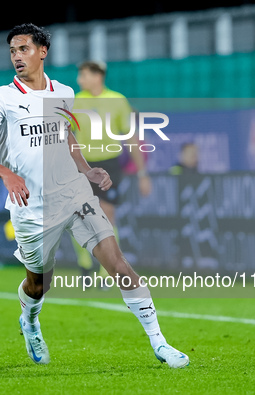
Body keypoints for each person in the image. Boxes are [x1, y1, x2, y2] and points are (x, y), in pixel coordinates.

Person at [0, 23, 189, 368]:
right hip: (32, 208)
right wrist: (6, 174)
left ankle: (160, 342)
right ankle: (31, 321)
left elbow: (65, 136)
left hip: (74, 194)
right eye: (12, 51)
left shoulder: (64, 93)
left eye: (23, 49)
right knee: (39, 284)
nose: (17, 56)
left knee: (119, 264)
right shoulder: (0, 99)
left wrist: (85, 169)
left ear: (42, 51)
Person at [72, 61, 152, 284]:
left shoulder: (117, 100)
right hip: (83, 164)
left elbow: (131, 137)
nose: (80, 80)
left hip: (109, 163)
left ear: (98, 76)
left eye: (84, 75)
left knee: (107, 216)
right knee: (79, 215)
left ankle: (105, 272)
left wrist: (143, 173)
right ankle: (85, 263)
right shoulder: (76, 101)